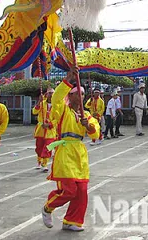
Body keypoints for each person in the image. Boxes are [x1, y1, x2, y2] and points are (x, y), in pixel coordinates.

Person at [41, 67, 100, 231]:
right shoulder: (62, 110)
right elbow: (56, 98)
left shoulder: (86, 114)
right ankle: (48, 207)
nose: (80, 97)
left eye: (82, 94)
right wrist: (68, 79)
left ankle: (71, 221)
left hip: (80, 154)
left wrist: (88, 126)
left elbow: (95, 134)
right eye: (77, 94)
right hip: (65, 151)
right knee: (69, 190)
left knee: (81, 192)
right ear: (70, 95)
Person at [32, 87, 56, 172]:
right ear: (46, 94)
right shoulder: (42, 104)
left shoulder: (57, 106)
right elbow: (34, 112)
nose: (51, 95)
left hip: (50, 131)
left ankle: (45, 164)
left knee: (48, 147)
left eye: (53, 93)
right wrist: (39, 101)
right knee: (39, 148)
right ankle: (39, 161)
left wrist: (49, 124)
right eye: (49, 93)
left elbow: (58, 118)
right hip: (41, 130)